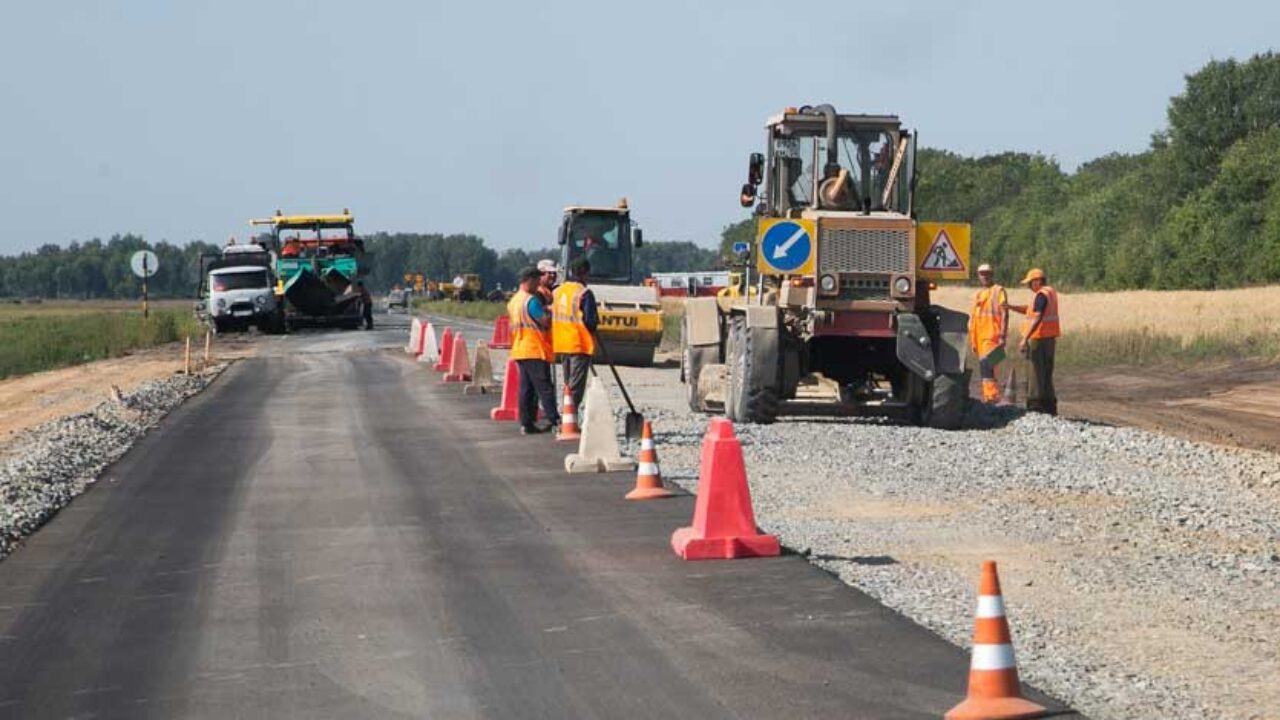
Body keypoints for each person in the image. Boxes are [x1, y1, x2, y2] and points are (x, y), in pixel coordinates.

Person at [508, 267, 560, 434]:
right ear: (529, 280)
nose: (539, 284)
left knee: (526, 389)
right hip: (534, 349)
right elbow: (544, 321)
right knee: (544, 387)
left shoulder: (514, 301)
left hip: (520, 348)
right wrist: (550, 312)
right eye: (537, 280)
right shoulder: (531, 301)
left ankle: (527, 423)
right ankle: (555, 420)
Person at [1004, 268, 1060, 415]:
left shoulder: (1041, 295)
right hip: (1049, 338)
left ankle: (1035, 406)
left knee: (1034, 373)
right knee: (1046, 373)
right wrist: (1010, 307)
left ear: (1037, 282)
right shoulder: (1050, 293)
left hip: (1037, 339)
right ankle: (1050, 407)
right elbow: (1029, 310)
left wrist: (1025, 338)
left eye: (1030, 283)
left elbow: (1037, 316)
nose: (1029, 286)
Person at [552, 257, 599, 412]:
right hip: (578, 344)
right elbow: (590, 321)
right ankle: (569, 418)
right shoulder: (584, 293)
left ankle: (565, 416)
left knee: (567, 383)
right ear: (586, 273)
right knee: (576, 386)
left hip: (562, 343)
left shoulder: (558, 291)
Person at [968, 263, 1009, 404]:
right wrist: (973, 340)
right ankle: (990, 396)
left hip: (993, 337)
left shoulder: (998, 291)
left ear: (991, 274)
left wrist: (1003, 336)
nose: (984, 276)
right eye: (981, 273)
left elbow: (1005, 313)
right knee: (987, 369)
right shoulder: (979, 294)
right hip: (980, 340)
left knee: (987, 366)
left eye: (987, 273)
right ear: (978, 276)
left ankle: (992, 397)